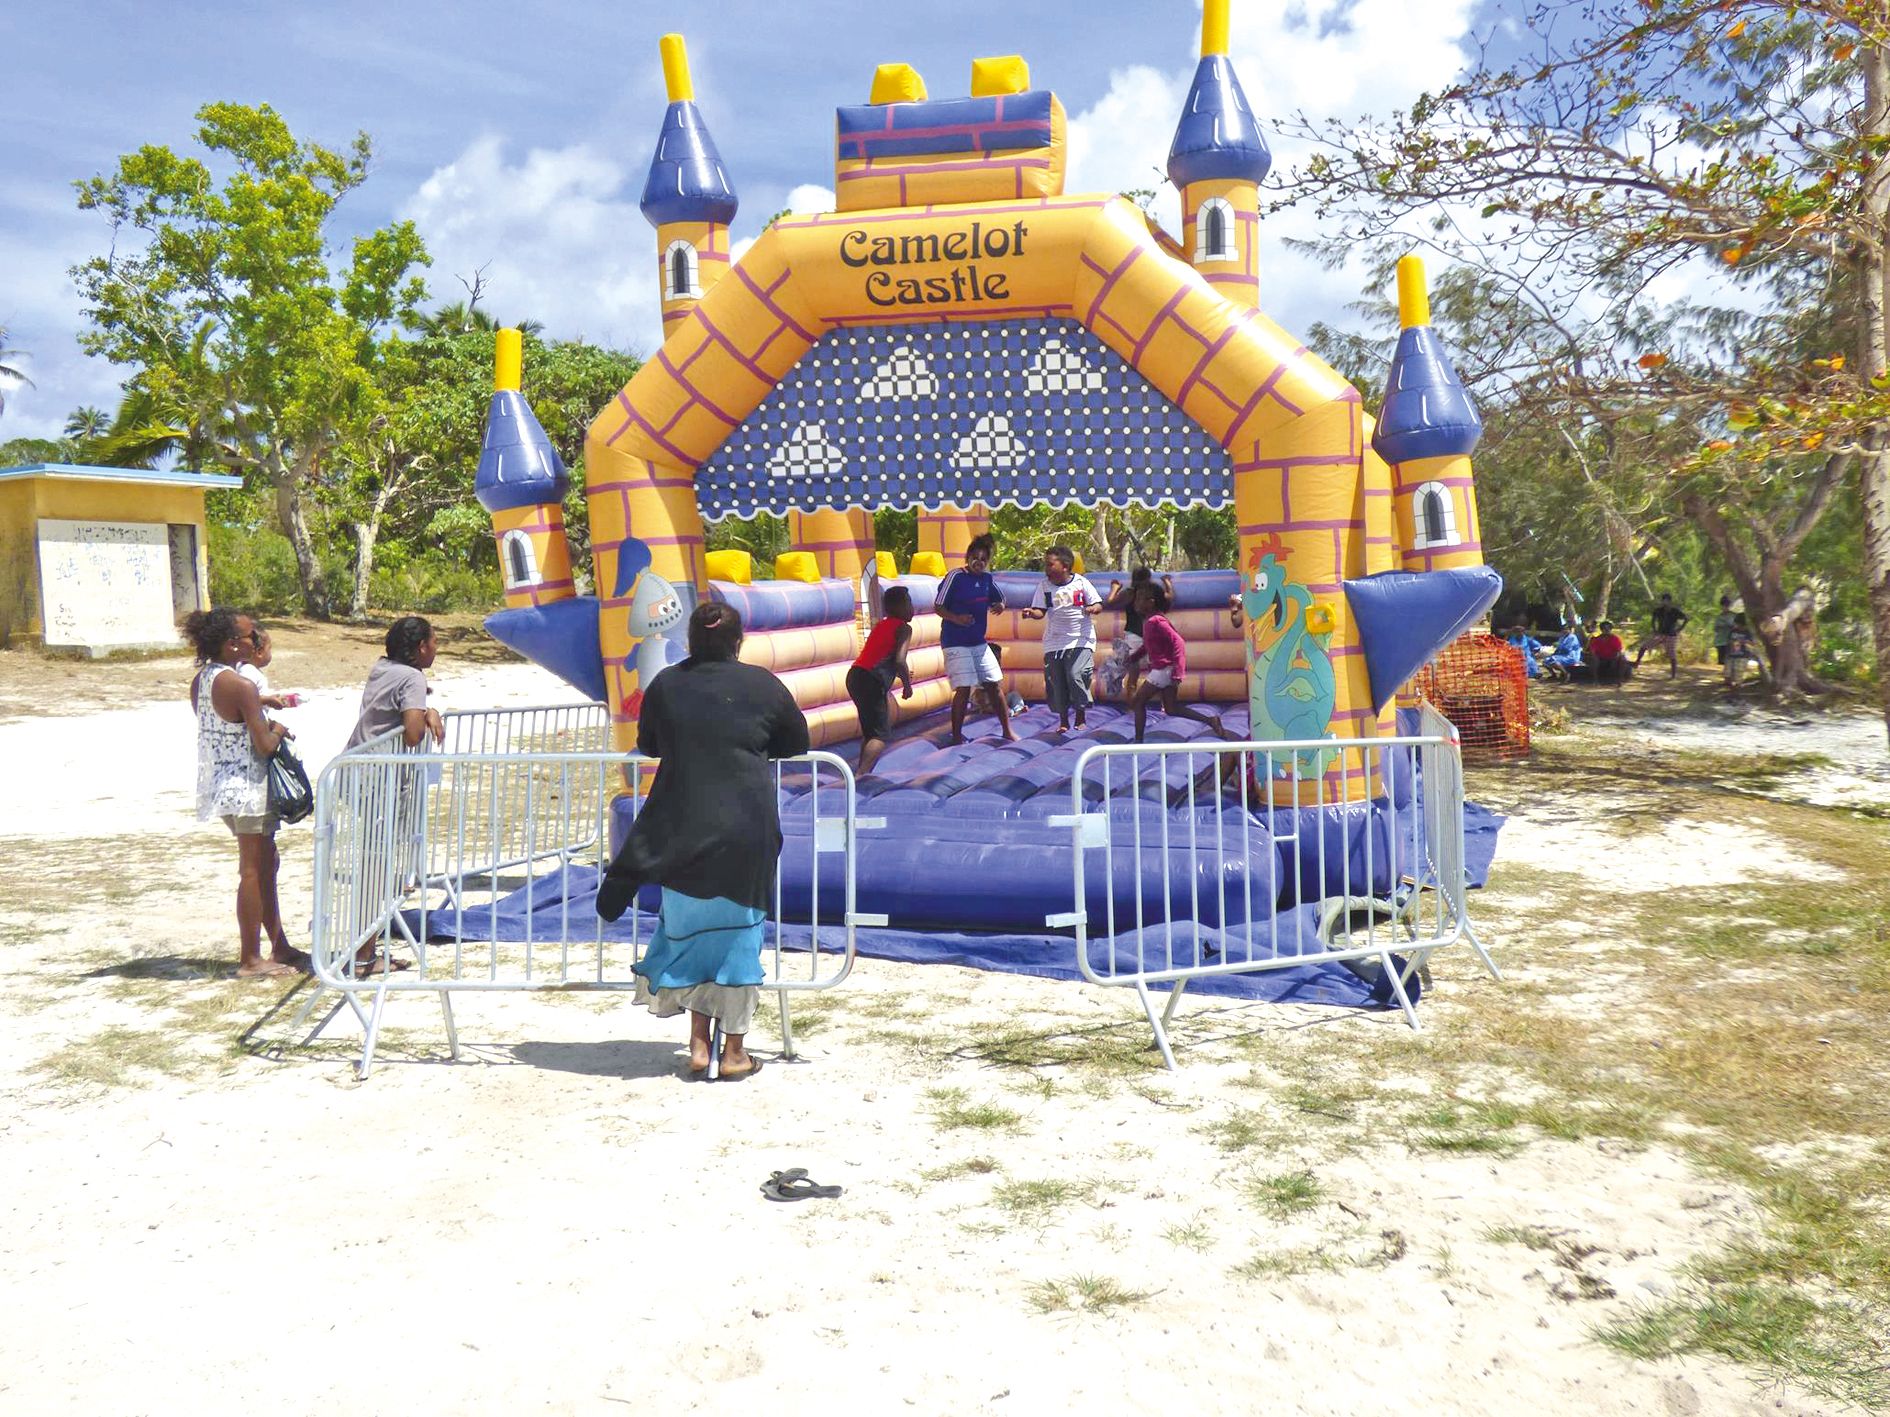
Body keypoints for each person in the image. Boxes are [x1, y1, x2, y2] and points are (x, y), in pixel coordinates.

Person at [596, 603, 810, 1081]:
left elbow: (649, 743)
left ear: (690, 641)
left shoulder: (667, 684)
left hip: (682, 824)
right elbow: (796, 742)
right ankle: (734, 1053)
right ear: (739, 642)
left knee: (688, 933)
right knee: (738, 938)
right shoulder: (763, 684)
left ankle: (698, 1045)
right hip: (745, 827)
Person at [185, 608, 307, 978]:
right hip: (248, 789)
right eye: (251, 637)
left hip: (220, 786)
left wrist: (259, 711)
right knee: (253, 871)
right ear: (231, 644)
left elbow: (225, 725)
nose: (256, 642)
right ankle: (251, 958)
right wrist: (279, 730)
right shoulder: (242, 685)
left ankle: (279, 945)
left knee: (266, 863)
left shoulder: (202, 680)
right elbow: (264, 745)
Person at [935, 532, 1015, 746]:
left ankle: (1007, 730)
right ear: (967, 558)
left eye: (983, 559)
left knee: (993, 684)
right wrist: (956, 618)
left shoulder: (987, 580)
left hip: (978, 642)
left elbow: (1000, 599)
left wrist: (1000, 606)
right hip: (956, 641)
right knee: (963, 687)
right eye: (975, 558)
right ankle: (957, 735)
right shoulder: (956, 577)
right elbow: (938, 605)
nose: (978, 563)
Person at [1127, 583, 1224, 743]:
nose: (1136, 603)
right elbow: (1149, 645)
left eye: (1139, 599)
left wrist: (1179, 670)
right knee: (1171, 708)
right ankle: (1210, 720)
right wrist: (1134, 657)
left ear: (1150, 602)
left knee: (1138, 702)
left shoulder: (1156, 621)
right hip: (1166, 669)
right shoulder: (1151, 620)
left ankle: (1138, 743)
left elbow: (1178, 642)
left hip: (1164, 670)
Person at [1020, 544, 1099, 731]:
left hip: (1080, 638)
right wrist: (1032, 613)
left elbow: (1097, 603)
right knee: (1057, 682)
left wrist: (1092, 608)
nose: (1047, 570)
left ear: (1065, 566)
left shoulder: (1080, 583)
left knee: (1075, 674)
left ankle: (1080, 716)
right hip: (1055, 641)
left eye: (1050, 565)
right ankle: (1063, 720)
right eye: (1045, 565)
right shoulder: (1045, 587)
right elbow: (1041, 611)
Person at [346, 615, 445, 750]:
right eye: (435, 642)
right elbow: (413, 737)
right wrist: (430, 713)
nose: (436, 648)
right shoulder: (413, 678)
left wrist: (425, 711)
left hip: (351, 761)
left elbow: (387, 708)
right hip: (376, 766)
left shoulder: (381, 667)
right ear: (422, 647)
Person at [848, 584, 915, 775]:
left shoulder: (882, 624)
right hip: (870, 679)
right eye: (908, 603)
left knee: (871, 732)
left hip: (855, 676)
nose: (911, 608)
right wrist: (907, 687)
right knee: (879, 735)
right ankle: (860, 776)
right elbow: (900, 660)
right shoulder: (903, 628)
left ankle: (861, 773)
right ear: (897, 607)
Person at [1097, 567, 1174, 700]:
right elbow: (1169, 597)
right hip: (1152, 635)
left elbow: (1109, 601)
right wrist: (1167, 582)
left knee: (1133, 675)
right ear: (1149, 578)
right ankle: (1164, 702)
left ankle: (1131, 704)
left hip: (1133, 635)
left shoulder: (1130, 593)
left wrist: (1115, 587)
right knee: (1158, 671)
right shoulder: (1152, 593)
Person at [236, 625, 297, 710]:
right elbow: (243, 699)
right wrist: (268, 700)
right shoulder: (248, 672)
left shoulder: (244, 668)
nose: (270, 652)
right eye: (269, 648)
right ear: (259, 653)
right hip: (253, 720)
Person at [1635, 593, 1690, 678]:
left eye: (1667, 600)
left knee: (1672, 655)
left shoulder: (1675, 611)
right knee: (1644, 647)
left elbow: (1686, 618)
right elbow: (1653, 620)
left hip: (1671, 635)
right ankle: (1637, 663)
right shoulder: (1658, 610)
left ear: (1670, 601)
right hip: (1660, 634)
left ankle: (1673, 675)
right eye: (1664, 600)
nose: (1665, 602)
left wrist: (1679, 629)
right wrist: (1655, 630)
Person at [1588, 619, 1629, 686]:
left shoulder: (1615, 638)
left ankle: (1619, 680)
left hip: (1613, 658)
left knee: (1623, 659)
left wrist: (1616, 657)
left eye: (1608, 628)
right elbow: (1592, 651)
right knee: (1593, 659)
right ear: (1601, 629)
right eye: (1604, 628)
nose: (1606, 630)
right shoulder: (1596, 639)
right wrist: (1594, 656)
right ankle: (1595, 680)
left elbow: (1619, 650)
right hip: (1600, 658)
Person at [1712, 595, 1737, 669]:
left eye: (1726, 605)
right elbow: (1715, 628)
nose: (1725, 607)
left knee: (1733, 660)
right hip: (1721, 641)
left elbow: (1737, 627)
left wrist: (1730, 626)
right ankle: (1727, 677)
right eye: (1723, 605)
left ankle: (1731, 677)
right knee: (1724, 662)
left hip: (1732, 641)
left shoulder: (1734, 615)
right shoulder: (1719, 617)